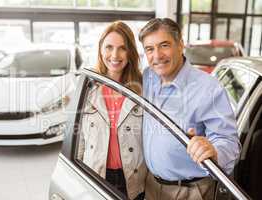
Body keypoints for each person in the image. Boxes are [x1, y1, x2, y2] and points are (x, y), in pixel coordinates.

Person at [139, 18, 240, 200]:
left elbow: (229, 141)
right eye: (149, 49)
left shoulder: (208, 88)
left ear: (180, 45)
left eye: (164, 45)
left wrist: (214, 151)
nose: (157, 55)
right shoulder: (148, 78)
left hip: (189, 191)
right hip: (151, 187)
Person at [77, 21, 147, 200]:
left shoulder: (144, 88)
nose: (115, 55)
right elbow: (79, 140)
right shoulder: (87, 86)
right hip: (95, 176)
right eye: (109, 47)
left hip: (133, 179)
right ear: (101, 49)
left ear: (130, 52)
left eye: (122, 48)